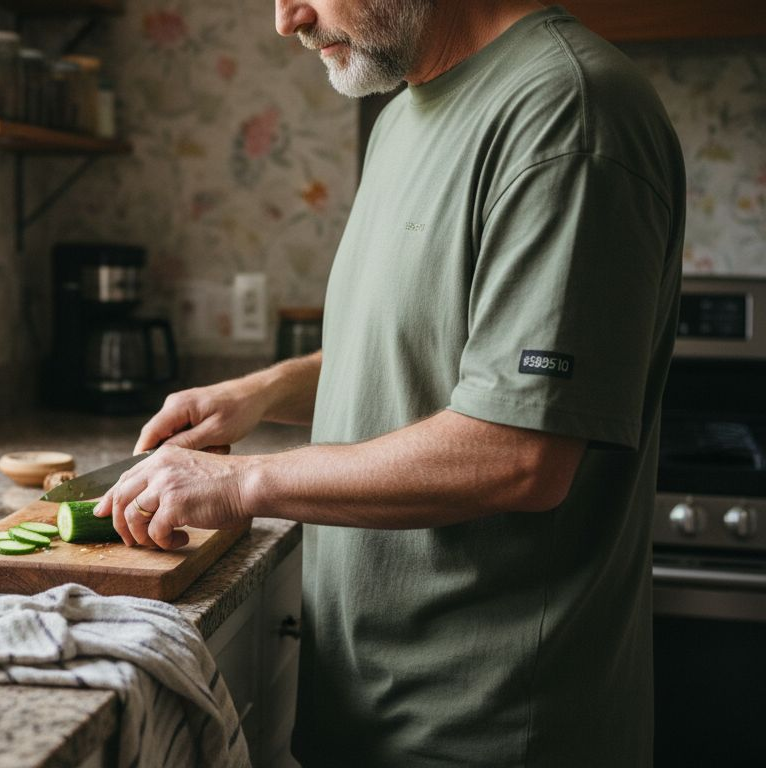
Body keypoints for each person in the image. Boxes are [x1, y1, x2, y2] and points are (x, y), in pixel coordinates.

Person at [91, 1, 685, 765]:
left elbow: (517, 453)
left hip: (489, 727)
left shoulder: (569, 112)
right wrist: (267, 391)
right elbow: (430, 349)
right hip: (368, 705)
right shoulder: (403, 112)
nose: (288, 19)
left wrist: (242, 483)